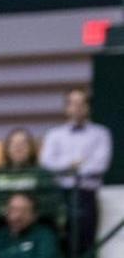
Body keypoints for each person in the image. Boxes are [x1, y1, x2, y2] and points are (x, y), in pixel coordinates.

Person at [39, 88, 112, 257]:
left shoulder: (101, 133)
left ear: (88, 107)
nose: (77, 107)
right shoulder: (54, 134)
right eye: (73, 103)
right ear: (66, 108)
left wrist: (66, 167)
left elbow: (99, 165)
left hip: (86, 194)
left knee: (86, 244)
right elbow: (47, 162)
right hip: (58, 194)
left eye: (82, 103)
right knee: (59, 241)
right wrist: (73, 165)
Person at [0, 129, 61, 232]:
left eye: (23, 144)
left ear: (31, 148)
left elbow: (52, 203)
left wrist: (25, 212)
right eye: (14, 144)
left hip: (35, 227)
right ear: (7, 148)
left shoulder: (42, 174)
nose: (18, 147)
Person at [0, 193, 59, 258]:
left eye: (24, 211)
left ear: (34, 215)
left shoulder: (44, 236)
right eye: (13, 210)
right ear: (6, 212)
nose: (17, 216)